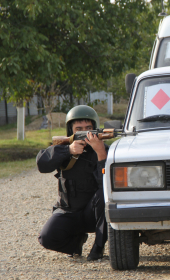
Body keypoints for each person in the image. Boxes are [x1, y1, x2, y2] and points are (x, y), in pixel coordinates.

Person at [37, 105, 109, 261]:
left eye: (88, 128)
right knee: (47, 238)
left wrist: (101, 154)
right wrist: (68, 150)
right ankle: (76, 244)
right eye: (79, 128)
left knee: (105, 195)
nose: (84, 131)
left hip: (93, 214)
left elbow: (108, 186)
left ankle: (98, 247)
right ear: (70, 130)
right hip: (68, 211)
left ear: (95, 128)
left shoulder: (104, 150)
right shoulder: (63, 148)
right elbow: (41, 164)